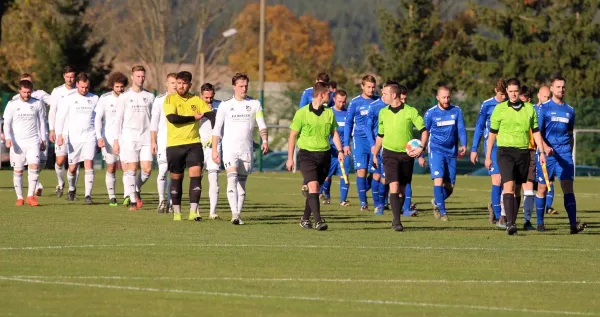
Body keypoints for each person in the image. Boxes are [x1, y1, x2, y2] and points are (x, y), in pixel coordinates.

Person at [484, 78, 546, 235]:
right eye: (510, 91)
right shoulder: (500, 109)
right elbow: (492, 134)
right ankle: (510, 224)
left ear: (519, 92)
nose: (513, 94)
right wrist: (487, 155)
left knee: (518, 189)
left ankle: (512, 220)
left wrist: (542, 152)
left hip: (523, 152)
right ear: (507, 92)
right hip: (504, 152)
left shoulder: (529, 109)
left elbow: (536, 131)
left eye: (515, 91)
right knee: (509, 186)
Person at [212, 73, 268, 225]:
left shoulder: (255, 104)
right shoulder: (225, 105)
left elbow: (262, 124)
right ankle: (234, 214)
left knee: (241, 185)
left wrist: (265, 140)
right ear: (234, 87)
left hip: (246, 150)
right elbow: (217, 129)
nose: (244, 89)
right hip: (230, 149)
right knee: (232, 179)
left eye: (246, 86)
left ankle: (238, 213)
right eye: (241, 86)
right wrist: (214, 150)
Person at [287, 82, 344, 231]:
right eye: (329, 94)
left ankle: (305, 219)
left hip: (324, 155)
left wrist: (340, 151)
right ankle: (318, 221)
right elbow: (293, 136)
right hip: (307, 155)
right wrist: (290, 158)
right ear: (321, 95)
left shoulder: (329, 112)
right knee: (312, 186)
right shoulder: (302, 113)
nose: (331, 96)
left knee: (315, 189)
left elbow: (334, 133)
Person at [371, 83, 428, 232]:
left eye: (385, 94)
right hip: (389, 154)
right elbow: (380, 135)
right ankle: (396, 221)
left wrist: (421, 148)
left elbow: (424, 131)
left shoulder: (410, 111)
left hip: (406, 155)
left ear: (394, 95)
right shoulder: (383, 112)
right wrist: (375, 154)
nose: (382, 97)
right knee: (394, 185)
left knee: (402, 189)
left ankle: (397, 217)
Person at [534, 76, 586, 234]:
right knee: (542, 188)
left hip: (564, 154)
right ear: (551, 88)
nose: (561, 89)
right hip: (547, 154)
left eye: (563, 87)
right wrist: (544, 148)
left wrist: (569, 152)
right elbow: (537, 133)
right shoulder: (544, 108)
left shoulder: (570, 110)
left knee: (568, 188)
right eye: (558, 87)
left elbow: (570, 134)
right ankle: (540, 223)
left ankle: (572, 225)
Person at [164, 71, 214, 221]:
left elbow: (211, 115)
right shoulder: (169, 99)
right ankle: (177, 212)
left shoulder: (197, 100)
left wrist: (221, 123)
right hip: (175, 145)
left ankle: (193, 212)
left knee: (196, 175)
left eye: (184, 83)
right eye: (178, 83)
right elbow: (172, 118)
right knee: (176, 178)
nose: (180, 86)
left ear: (190, 85)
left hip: (193, 144)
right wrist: (193, 117)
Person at [113, 65, 155, 211]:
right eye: (138, 76)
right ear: (132, 77)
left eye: (143, 76)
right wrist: (116, 141)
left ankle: (135, 189)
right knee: (132, 168)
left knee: (147, 169)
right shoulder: (124, 97)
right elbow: (118, 120)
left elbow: (153, 120)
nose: (141, 79)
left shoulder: (150, 96)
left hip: (146, 137)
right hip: (129, 137)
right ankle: (132, 201)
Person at [424, 86, 467, 221]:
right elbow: (425, 132)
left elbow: (461, 129)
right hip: (436, 150)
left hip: (451, 152)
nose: (446, 100)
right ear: (437, 97)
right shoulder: (430, 113)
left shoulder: (456, 110)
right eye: (444, 97)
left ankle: (437, 202)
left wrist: (464, 144)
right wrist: (420, 152)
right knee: (438, 180)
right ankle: (443, 213)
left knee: (450, 187)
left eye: (448, 97)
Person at [55, 72, 99, 204]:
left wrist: (99, 136)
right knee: (72, 168)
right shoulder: (68, 98)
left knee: (89, 164)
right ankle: (72, 189)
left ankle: (87, 195)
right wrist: (60, 135)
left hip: (90, 136)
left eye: (87, 87)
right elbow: (60, 118)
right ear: (77, 85)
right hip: (74, 138)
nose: (84, 90)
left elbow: (98, 119)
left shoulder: (95, 98)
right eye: (82, 87)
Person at [3, 80, 47, 206]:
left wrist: (43, 139)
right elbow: (7, 123)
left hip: (33, 141)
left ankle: (30, 197)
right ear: (19, 91)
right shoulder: (12, 104)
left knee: (34, 166)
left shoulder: (37, 103)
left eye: (29, 92)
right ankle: (20, 197)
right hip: (18, 143)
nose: (27, 94)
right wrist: (8, 138)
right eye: (24, 92)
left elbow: (42, 123)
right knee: (18, 170)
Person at [470, 79, 507, 227]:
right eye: (501, 94)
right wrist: (474, 149)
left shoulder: (510, 105)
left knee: (507, 182)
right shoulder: (487, 105)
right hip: (492, 147)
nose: (504, 97)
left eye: (506, 94)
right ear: (495, 91)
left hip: (507, 146)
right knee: (497, 180)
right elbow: (479, 127)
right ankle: (500, 218)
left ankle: (495, 207)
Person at [343, 75, 379, 211]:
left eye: (373, 87)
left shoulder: (379, 102)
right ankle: (363, 203)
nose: (371, 90)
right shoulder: (355, 102)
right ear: (362, 86)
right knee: (361, 171)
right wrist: (346, 143)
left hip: (376, 141)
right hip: (359, 140)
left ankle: (378, 202)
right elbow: (348, 123)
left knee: (376, 173)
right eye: (368, 87)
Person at [12, 73, 51, 197]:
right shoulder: (15, 99)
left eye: (28, 82)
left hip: (41, 134)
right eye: (24, 82)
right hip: (25, 138)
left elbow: (54, 103)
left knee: (42, 161)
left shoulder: (40, 94)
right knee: (29, 163)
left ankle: (34, 182)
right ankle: (35, 186)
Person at [94, 72, 128, 206]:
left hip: (125, 137)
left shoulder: (128, 98)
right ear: (112, 86)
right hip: (109, 137)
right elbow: (97, 119)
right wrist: (99, 137)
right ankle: (112, 196)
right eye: (117, 87)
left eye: (122, 87)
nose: (120, 89)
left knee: (127, 167)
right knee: (111, 166)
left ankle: (127, 196)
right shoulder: (104, 98)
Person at [298, 72, 333, 197]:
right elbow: (302, 110)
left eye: (325, 84)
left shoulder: (330, 94)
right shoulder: (307, 92)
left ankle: (321, 191)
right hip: (310, 133)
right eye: (320, 83)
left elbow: (331, 111)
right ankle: (308, 183)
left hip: (324, 133)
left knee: (326, 166)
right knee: (310, 163)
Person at [48, 65, 77, 198]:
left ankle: (72, 188)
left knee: (74, 162)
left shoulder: (80, 90)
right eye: (67, 77)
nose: (70, 79)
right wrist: (52, 129)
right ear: (63, 76)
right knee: (60, 161)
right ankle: (60, 183)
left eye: (72, 76)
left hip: (76, 132)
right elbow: (52, 112)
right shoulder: (57, 91)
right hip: (61, 132)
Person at [318, 89, 351, 207]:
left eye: (344, 102)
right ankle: (325, 194)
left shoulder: (348, 114)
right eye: (340, 101)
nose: (342, 104)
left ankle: (343, 200)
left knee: (344, 175)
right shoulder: (328, 112)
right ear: (334, 99)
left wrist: (347, 145)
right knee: (327, 176)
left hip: (344, 150)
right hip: (330, 150)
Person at [150, 73, 177, 213]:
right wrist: (153, 141)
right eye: (172, 82)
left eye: (176, 82)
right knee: (162, 172)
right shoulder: (159, 100)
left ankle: (172, 203)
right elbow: (153, 124)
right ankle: (162, 201)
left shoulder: (183, 99)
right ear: (167, 84)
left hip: (178, 142)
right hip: (163, 141)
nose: (174, 85)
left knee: (174, 173)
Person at [199, 83, 222, 219]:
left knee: (214, 178)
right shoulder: (195, 105)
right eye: (206, 98)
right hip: (197, 146)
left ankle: (212, 212)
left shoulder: (220, 106)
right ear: (201, 95)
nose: (209, 100)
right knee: (197, 178)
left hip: (214, 146)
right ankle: (195, 209)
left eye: (211, 98)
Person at [516, 85, 536, 230]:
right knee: (512, 187)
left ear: (528, 100)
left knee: (528, 188)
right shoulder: (512, 110)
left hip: (531, 152)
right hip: (515, 151)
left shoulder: (534, 111)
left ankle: (527, 221)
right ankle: (505, 216)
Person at [534, 86, 557, 215]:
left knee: (550, 180)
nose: (547, 99)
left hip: (549, 152)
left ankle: (547, 207)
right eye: (545, 97)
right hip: (533, 151)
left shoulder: (552, 110)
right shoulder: (533, 109)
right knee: (531, 184)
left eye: (549, 97)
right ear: (538, 96)